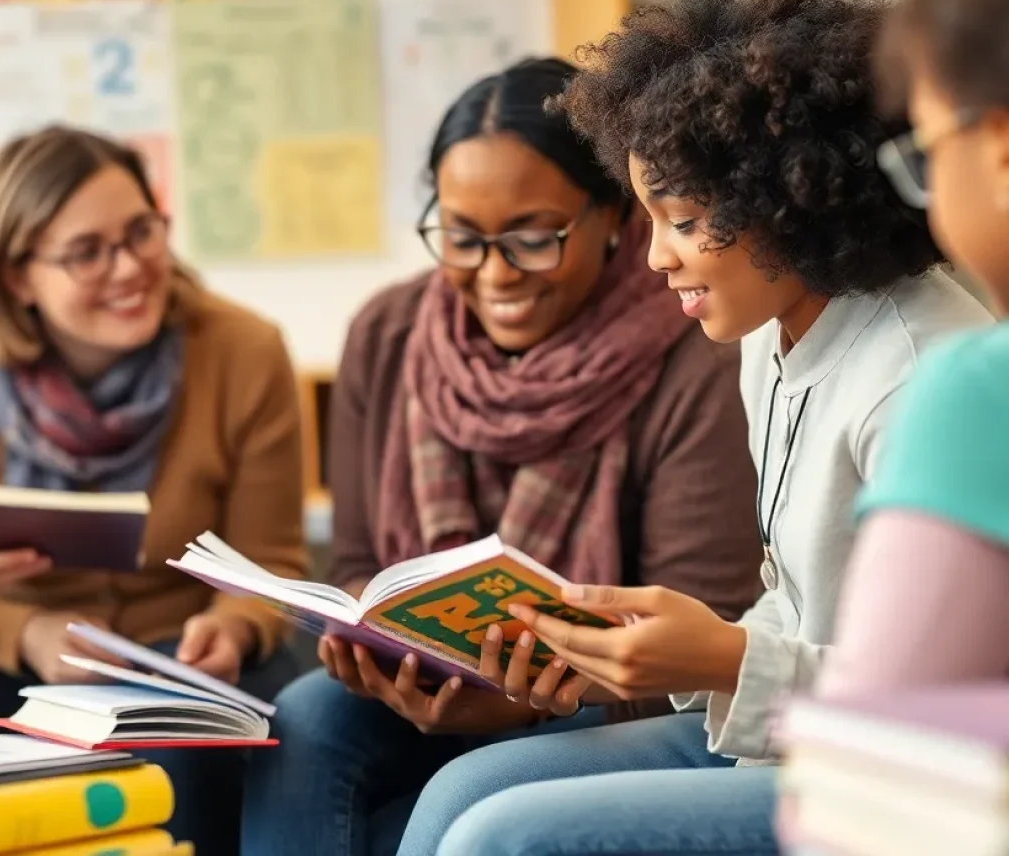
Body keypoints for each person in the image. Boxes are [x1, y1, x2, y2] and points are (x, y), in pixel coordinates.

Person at [393, 0, 992, 856]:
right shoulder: (771, 333)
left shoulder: (916, 374)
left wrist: (721, 657)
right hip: (781, 730)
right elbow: (798, 611)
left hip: (886, 776)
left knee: (502, 838)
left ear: (789, 197)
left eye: (683, 219)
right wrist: (632, 653)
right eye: (650, 220)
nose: (656, 260)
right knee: (466, 786)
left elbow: (947, 706)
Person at [241, 56, 765, 856]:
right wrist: (372, 647)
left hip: (606, 693)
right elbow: (355, 560)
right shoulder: (386, 335)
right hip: (427, 682)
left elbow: (700, 633)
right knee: (310, 713)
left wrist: (526, 703)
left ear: (614, 216)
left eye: (531, 238)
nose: (493, 274)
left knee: (473, 781)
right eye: (461, 237)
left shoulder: (698, 352)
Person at [0, 126, 308, 856]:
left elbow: (270, 561)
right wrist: (24, 634)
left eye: (141, 232)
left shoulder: (241, 351)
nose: (130, 268)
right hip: (13, 652)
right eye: (87, 252)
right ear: (17, 276)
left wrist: (233, 627)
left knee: (193, 753)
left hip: (184, 651)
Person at [814, 0, 1009, 698]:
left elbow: (862, 789)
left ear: (999, 149)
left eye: (926, 149)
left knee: (505, 831)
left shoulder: (977, 388)